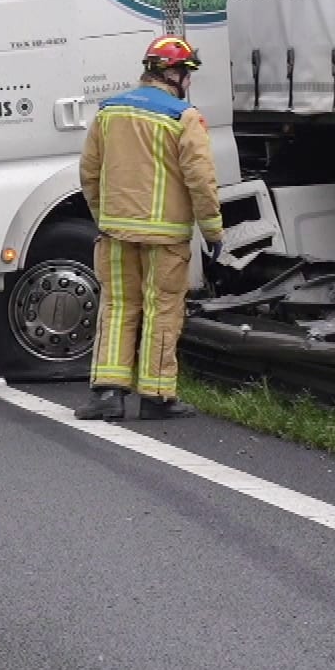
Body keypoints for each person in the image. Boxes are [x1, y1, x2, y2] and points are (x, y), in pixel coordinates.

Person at [74, 35, 223, 422]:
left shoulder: (109, 112)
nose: (188, 82)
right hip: (166, 238)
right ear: (172, 74)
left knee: (118, 307)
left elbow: (89, 172)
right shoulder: (183, 118)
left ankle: (108, 393)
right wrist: (212, 231)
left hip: (116, 234)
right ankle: (156, 396)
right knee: (163, 310)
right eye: (186, 73)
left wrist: (102, 216)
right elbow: (201, 180)